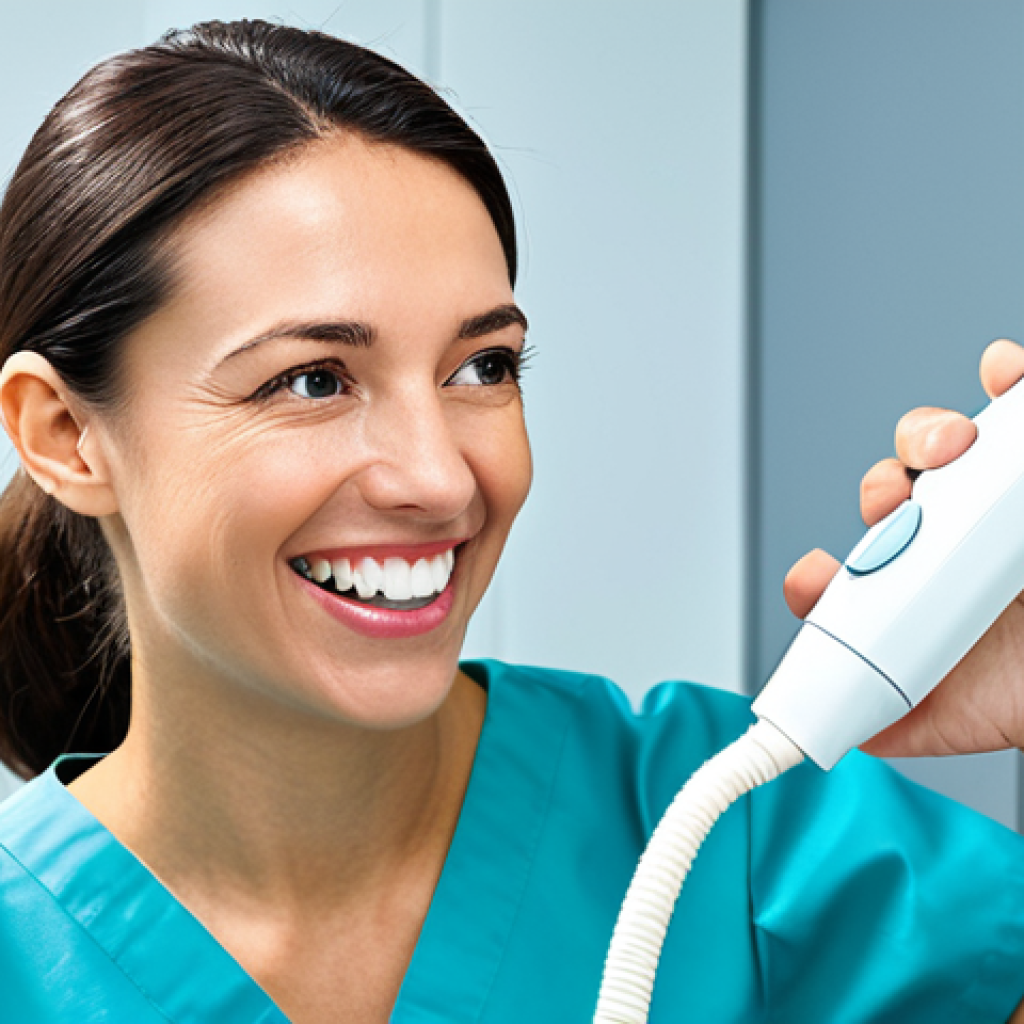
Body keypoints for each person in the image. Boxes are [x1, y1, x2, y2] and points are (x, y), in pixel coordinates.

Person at [0, 19, 1021, 1024]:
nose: (439, 478)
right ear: (65, 436)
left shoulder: (746, 838)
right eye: (313, 380)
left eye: (481, 367)